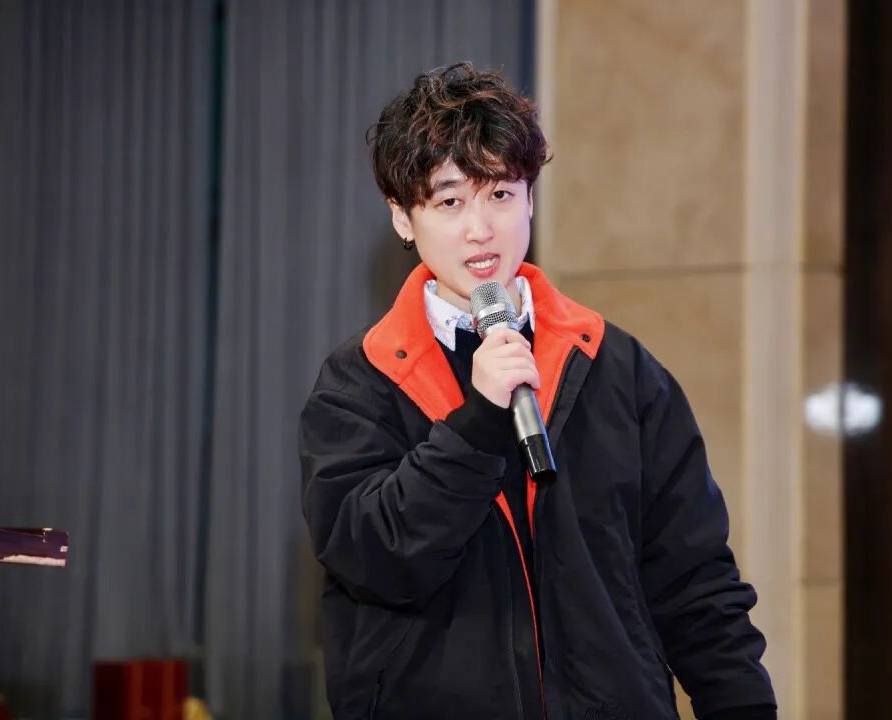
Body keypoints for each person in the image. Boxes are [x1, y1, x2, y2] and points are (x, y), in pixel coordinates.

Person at [299, 62, 776, 720]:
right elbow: (374, 559)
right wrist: (477, 425)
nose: (481, 228)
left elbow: (696, 584)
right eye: (449, 202)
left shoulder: (615, 367)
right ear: (403, 218)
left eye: (500, 193)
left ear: (530, 199)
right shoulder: (360, 382)